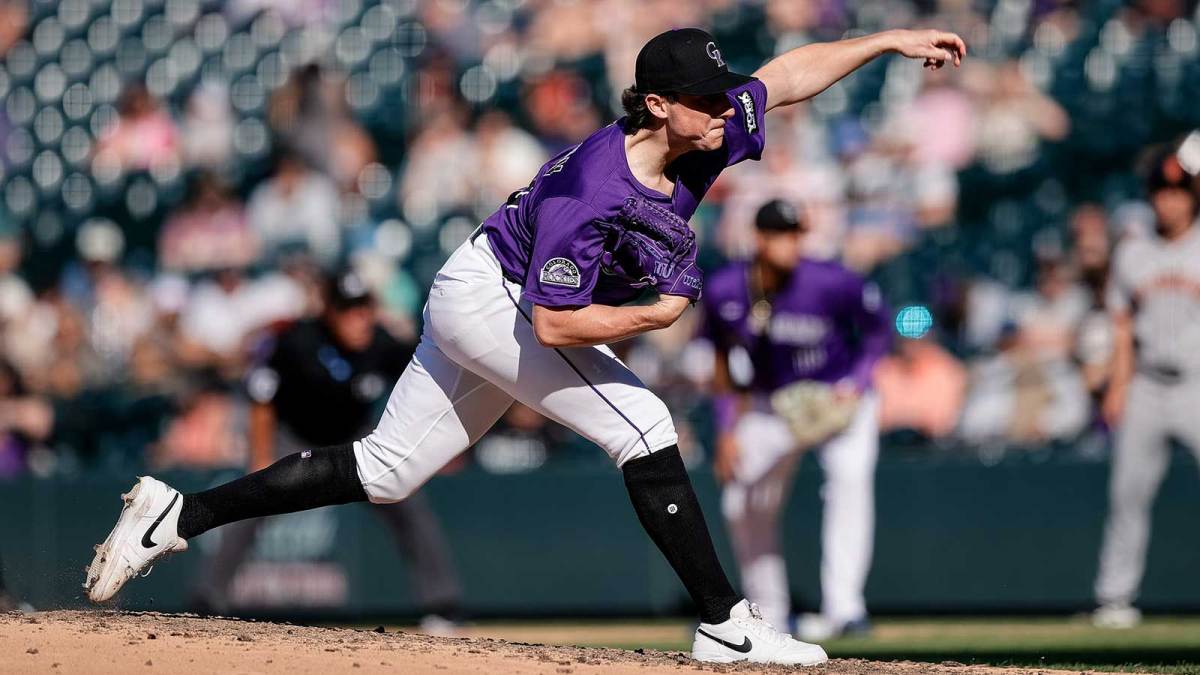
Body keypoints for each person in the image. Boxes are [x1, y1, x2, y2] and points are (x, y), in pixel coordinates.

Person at [85, 26, 965, 665]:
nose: (722, 106)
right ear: (657, 105)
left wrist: (886, 41)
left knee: (388, 469)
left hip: (484, 287)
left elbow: (786, 76)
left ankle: (176, 514)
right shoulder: (596, 186)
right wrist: (655, 317)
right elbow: (552, 327)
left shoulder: (707, 123)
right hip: (495, 299)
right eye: (702, 96)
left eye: (719, 91)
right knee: (644, 420)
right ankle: (726, 618)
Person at [190, 271, 464, 627]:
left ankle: (442, 606)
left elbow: (433, 383)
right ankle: (206, 600)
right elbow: (261, 396)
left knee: (409, 505)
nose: (358, 319)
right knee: (251, 501)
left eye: (363, 309)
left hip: (354, 437)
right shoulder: (298, 341)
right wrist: (260, 457)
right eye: (348, 311)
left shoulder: (382, 343)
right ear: (330, 313)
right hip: (296, 436)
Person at [702, 200, 890, 640]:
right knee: (741, 499)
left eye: (796, 233)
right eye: (782, 233)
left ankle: (845, 608)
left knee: (849, 480)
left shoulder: (831, 280)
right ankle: (767, 611)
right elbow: (722, 363)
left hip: (836, 397)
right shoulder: (728, 288)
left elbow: (878, 331)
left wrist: (857, 382)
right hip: (773, 404)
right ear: (760, 238)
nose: (792, 242)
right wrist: (727, 428)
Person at [1093, 147, 1200, 629]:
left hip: (1197, 384)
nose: (1169, 202)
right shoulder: (1132, 252)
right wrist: (1117, 387)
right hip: (1147, 385)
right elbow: (1121, 328)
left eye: (1178, 192)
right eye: (1161, 192)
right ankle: (1115, 600)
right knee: (1127, 495)